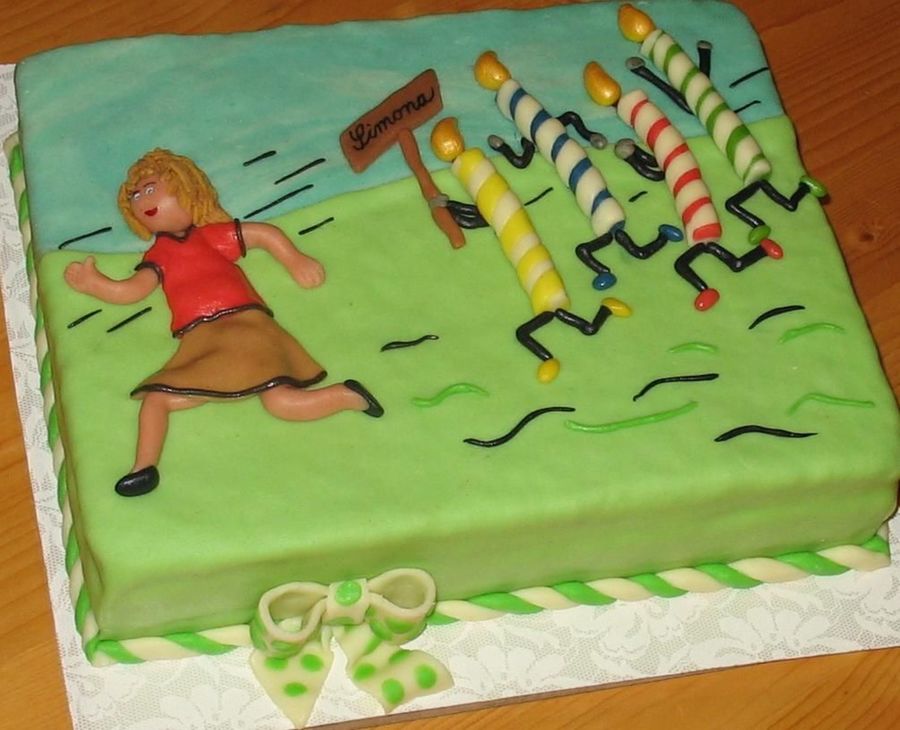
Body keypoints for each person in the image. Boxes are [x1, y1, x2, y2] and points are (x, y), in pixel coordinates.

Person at [64, 149, 382, 497]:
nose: (144, 201)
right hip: (201, 341)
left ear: (188, 188)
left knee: (281, 402)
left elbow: (262, 234)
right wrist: (95, 285)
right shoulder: (159, 256)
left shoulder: (209, 237)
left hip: (244, 327)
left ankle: (347, 396)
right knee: (157, 399)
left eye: (152, 188)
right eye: (136, 196)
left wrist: (295, 260)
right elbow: (133, 290)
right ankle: (143, 470)